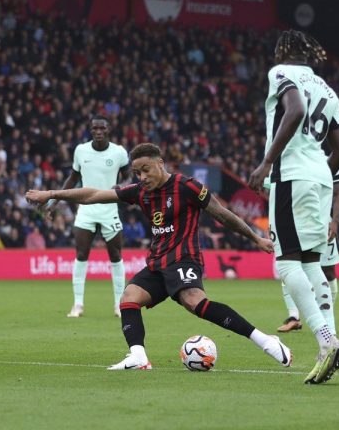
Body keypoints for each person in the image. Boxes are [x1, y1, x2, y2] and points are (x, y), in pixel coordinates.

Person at [27, 143, 292, 371]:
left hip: (184, 258)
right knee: (129, 298)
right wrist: (52, 194)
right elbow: (94, 194)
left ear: (160, 164)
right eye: (137, 172)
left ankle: (265, 341)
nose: (142, 176)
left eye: (146, 169)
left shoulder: (186, 186)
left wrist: (255, 238)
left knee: (194, 302)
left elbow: (221, 213)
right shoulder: (139, 192)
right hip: (157, 263)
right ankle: (138, 357)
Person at [247, 30, 339, 384]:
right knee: (310, 262)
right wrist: (318, 174)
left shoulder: (280, 73)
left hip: (292, 176)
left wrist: (266, 162)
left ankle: (325, 340)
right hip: (320, 178)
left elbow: (296, 109)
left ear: (284, 50)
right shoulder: (328, 89)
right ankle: (331, 343)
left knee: (286, 263)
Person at [45, 115, 130, 318]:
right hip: (86, 210)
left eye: (102, 128)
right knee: (81, 255)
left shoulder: (118, 152)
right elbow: (73, 178)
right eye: (95, 129)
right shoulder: (81, 151)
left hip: (109, 209)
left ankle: (120, 305)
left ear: (108, 129)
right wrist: (55, 201)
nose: (98, 132)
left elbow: (129, 174)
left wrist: (123, 186)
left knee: (116, 257)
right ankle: (78, 305)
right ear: (91, 130)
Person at [278, 151, 339, 333]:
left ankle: (326, 315)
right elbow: (274, 191)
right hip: (295, 222)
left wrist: (335, 221)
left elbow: (338, 193)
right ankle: (293, 316)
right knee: (289, 265)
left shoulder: (328, 160)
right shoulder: (287, 158)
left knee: (328, 271)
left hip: (323, 223)